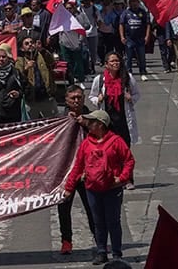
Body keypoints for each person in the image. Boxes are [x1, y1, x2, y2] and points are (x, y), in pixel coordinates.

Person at [64, 109, 135, 265]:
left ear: (101, 124)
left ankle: (117, 254)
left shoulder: (116, 141)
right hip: (92, 189)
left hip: (112, 189)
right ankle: (101, 252)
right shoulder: (85, 144)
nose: (88, 124)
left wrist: (122, 178)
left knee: (113, 222)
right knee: (98, 222)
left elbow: (129, 160)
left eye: (92, 121)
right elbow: (77, 166)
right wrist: (69, 187)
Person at [57, 84, 95, 256]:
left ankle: (99, 240)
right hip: (67, 172)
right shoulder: (59, 118)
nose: (76, 101)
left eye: (79, 97)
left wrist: (85, 122)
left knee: (93, 208)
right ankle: (66, 241)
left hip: (88, 172)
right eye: (72, 98)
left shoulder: (92, 117)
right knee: (64, 209)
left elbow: (103, 135)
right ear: (66, 100)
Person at [89, 52, 140, 148]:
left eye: (117, 61)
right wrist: (98, 99)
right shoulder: (99, 80)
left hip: (123, 121)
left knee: (124, 148)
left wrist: (130, 98)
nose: (115, 63)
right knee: (108, 148)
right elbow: (92, 96)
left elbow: (137, 94)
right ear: (106, 64)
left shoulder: (127, 78)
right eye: (112, 61)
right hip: (108, 122)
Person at [15, 34, 58, 119]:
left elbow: (52, 62)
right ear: (22, 48)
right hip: (31, 98)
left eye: (32, 42)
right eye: (26, 44)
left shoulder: (41, 54)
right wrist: (26, 68)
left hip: (46, 95)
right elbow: (17, 76)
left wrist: (42, 50)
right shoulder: (20, 60)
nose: (30, 44)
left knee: (51, 119)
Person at [118, 0, 149, 78]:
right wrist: (122, 36)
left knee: (141, 56)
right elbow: (121, 24)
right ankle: (129, 72)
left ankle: (143, 72)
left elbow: (147, 24)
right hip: (129, 39)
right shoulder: (125, 13)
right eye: (132, 2)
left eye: (135, 1)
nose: (134, 3)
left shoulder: (142, 12)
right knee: (128, 57)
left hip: (140, 38)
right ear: (129, 3)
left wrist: (147, 36)